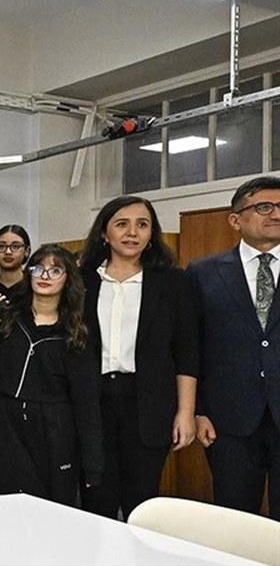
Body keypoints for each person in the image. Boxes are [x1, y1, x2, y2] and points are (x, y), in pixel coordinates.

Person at [78, 196, 198, 521]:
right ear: (104, 233)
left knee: (142, 503)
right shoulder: (81, 280)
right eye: (122, 224)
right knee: (96, 500)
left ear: (151, 234)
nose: (132, 232)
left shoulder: (173, 282)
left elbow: (186, 351)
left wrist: (186, 412)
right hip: (93, 403)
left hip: (147, 405)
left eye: (142, 225)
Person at [190, 175, 280, 521]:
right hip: (229, 420)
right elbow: (191, 346)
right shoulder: (202, 272)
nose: (275, 214)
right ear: (235, 219)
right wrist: (197, 410)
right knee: (234, 521)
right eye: (264, 207)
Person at [0, 245, 102, 506]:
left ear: (68, 278)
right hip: (6, 421)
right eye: (38, 268)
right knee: (7, 502)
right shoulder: (8, 318)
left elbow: (87, 400)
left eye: (55, 270)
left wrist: (92, 463)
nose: (45, 276)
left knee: (52, 504)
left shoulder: (75, 331)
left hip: (55, 426)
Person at [0, 225, 31, 299]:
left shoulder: (33, 289)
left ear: (27, 251)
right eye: (1, 246)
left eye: (15, 246)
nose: (8, 252)